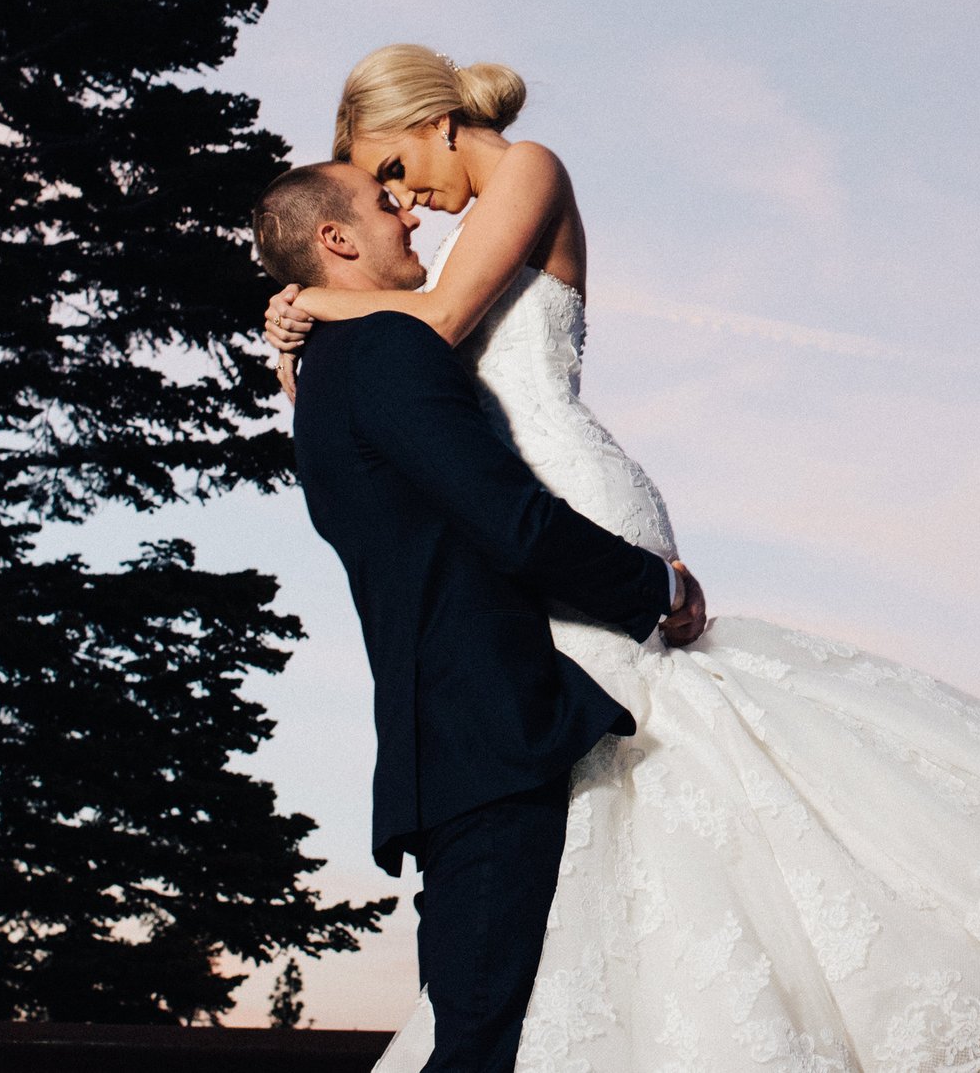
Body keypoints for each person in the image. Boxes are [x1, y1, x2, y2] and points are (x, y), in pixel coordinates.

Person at [262, 45, 980, 1073]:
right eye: (380, 192)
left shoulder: (526, 167)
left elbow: (436, 330)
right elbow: (396, 419)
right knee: (586, 782)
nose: (403, 198)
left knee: (653, 744)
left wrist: (319, 304)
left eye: (393, 167)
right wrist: (297, 339)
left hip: (569, 502)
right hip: (521, 528)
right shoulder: (411, 274)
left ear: (436, 122)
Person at [251, 160, 709, 1073]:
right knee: (480, 1047)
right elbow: (511, 518)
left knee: (482, 1029)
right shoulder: (387, 348)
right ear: (337, 240)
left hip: (444, 744)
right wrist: (659, 589)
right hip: (491, 733)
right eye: (386, 207)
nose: (412, 220)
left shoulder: (324, 382)